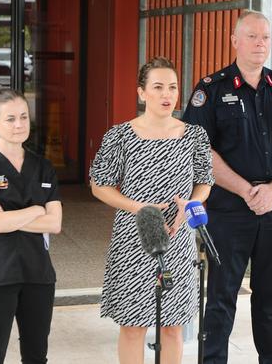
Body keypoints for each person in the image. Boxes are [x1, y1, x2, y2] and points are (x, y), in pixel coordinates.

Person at [183, 10, 272, 364]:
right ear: (234, 41)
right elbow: (199, 149)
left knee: (270, 298)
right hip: (229, 208)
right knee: (221, 296)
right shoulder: (211, 89)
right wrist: (247, 190)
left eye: (265, 37)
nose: (260, 44)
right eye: (252, 36)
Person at [90, 56, 214, 364]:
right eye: (157, 87)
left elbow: (205, 181)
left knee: (173, 327)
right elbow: (99, 185)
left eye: (172, 87)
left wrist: (192, 204)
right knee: (133, 326)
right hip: (134, 239)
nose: (166, 94)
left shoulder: (195, 136)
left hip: (178, 239)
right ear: (141, 93)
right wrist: (139, 207)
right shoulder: (119, 136)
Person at [0, 88, 63, 364]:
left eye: (23, 117)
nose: (19, 125)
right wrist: (35, 209)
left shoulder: (43, 167)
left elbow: (55, 223)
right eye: (10, 119)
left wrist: (10, 216)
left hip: (38, 275)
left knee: (36, 357)